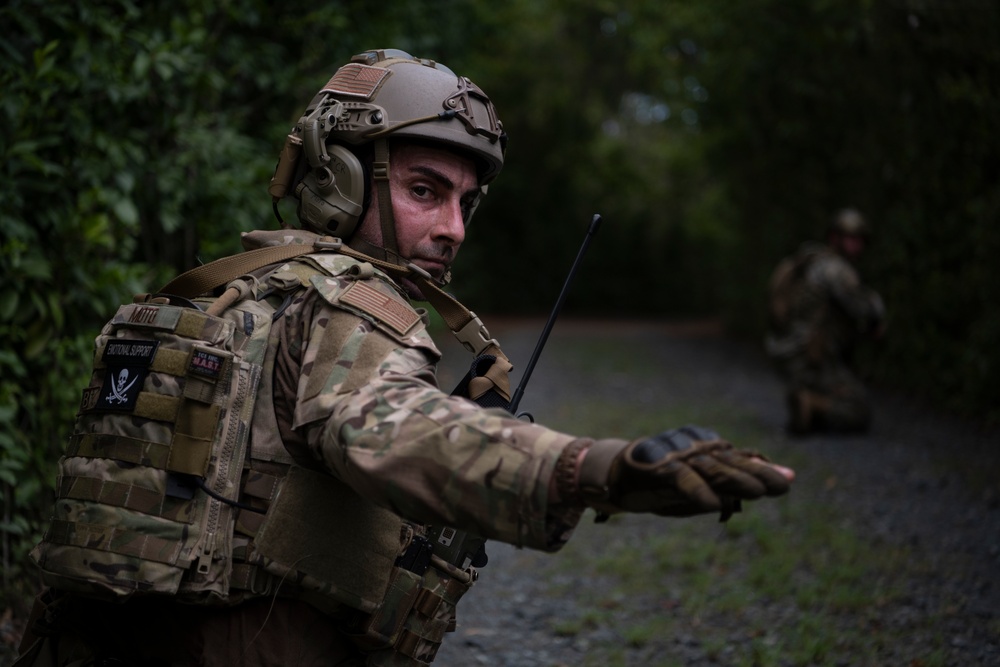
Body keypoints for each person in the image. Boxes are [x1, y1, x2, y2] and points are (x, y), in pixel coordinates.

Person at [18, 49, 795, 667]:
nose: (454, 227)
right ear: (341, 178)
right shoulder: (347, 309)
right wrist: (588, 467)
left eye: (466, 202)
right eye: (427, 190)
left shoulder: (224, 296)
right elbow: (395, 427)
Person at [765, 208, 887, 434]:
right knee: (858, 411)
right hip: (812, 359)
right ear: (835, 238)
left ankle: (810, 408)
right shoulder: (836, 269)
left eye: (859, 240)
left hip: (791, 354)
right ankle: (812, 402)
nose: (856, 246)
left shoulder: (810, 262)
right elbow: (865, 309)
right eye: (850, 239)